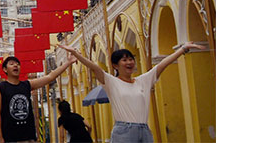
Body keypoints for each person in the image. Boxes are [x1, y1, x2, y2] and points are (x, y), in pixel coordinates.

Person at [58, 42, 204, 143]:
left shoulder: (143, 80)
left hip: (144, 130)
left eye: (131, 59)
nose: (129, 62)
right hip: (124, 131)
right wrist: (76, 54)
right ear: (115, 65)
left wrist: (183, 49)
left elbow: (162, 65)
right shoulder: (111, 82)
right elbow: (95, 68)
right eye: (124, 60)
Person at [0, 55, 77, 143]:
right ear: (5, 69)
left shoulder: (27, 85)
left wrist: (68, 62)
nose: (15, 65)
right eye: (11, 64)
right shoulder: (0, 88)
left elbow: (50, 77)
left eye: (17, 64)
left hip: (28, 136)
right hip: (9, 137)